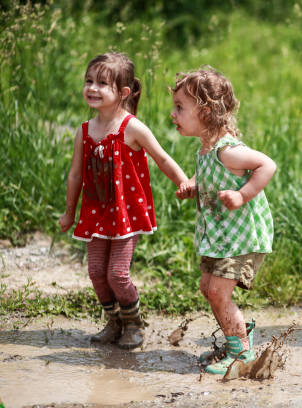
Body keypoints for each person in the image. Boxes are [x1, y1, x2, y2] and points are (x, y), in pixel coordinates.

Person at [59, 52, 189, 350]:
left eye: (102, 83)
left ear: (124, 92)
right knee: (96, 273)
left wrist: (183, 181)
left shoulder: (132, 127)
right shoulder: (84, 130)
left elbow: (162, 158)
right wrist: (69, 212)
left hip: (126, 215)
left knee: (117, 274)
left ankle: (133, 323)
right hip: (95, 212)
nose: (92, 88)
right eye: (89, 81)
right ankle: (114, 321)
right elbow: (75, 176)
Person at [172, 67, 276, 375]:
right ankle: (238, 339)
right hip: (221, 237)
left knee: (218, 292)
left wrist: (243, 195)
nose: (172, 114)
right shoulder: (206, 150)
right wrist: (193, 183)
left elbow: (266, 165)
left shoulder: (228, 151)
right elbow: (207, 175)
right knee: (209, 288)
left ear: (205, 112)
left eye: (180, 108)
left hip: (241, 238)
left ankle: (242, 354)